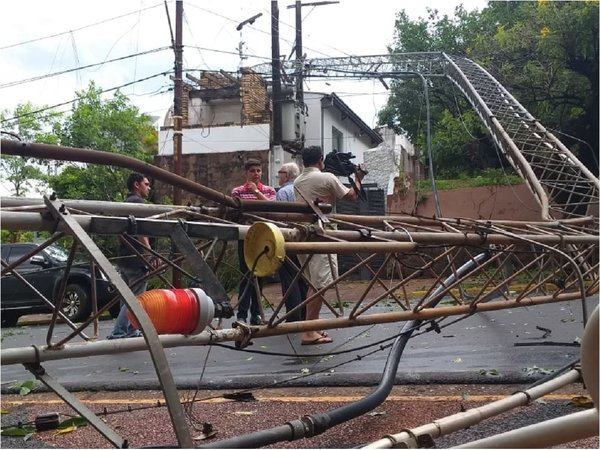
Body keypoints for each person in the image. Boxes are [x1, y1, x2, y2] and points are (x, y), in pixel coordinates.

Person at [293, 145, 365, 345]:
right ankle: (308, 332)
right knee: (321, 284)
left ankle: (312, 326)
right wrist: (359, 177)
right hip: (321, 236)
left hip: (302, 236)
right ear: (320, 160)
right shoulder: (327, 178)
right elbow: (352, 196)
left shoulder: (298, 180)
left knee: (314, 283)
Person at [108, 172, 156, 339]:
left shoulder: (124, 205)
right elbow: (142, 231)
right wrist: (148, 254)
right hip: (137, 258)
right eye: (146, 184)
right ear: (137, 185)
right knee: (135, 298)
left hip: (125, 257)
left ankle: (130, 330)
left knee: (126, 297)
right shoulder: (138, 204)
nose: (149, 188)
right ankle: (119, 331)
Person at [231, 159, 276, 325]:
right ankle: (242, 314)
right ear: (246, 173)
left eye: (258, 171)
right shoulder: (237, 191)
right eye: (252, 171)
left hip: (262, 237)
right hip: (245, 237)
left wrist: (257, 192)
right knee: (246, 275)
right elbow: (236, 213)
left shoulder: (269, 190)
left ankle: (255, 314)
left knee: (260, 275)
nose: (256, 174)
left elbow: (272, 210)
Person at [276, 162, 307, 322]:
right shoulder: (301, 189)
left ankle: (293, 315)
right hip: (304, 238)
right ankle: (304, 313)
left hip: (288, 237)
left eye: (280, 172)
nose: (278, 175)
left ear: (286, 175)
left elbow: (280, 217)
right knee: (303, 277)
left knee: (289, 277)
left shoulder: (283, 192)